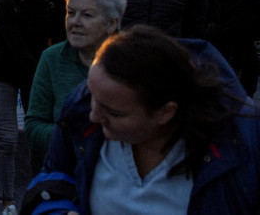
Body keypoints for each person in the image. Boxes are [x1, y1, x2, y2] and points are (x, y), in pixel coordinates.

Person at [26, 26, 260, 215]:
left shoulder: (237, 145)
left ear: (166, 112)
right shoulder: (80, 110)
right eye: (91, 96)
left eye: (115, 113)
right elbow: (53, 179)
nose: (93, 115)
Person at [0, 0, 65, 215]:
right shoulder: (7, 3)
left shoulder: (52, 1)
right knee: (7, 139)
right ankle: (6, 200)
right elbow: (14, 46)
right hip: (4, 72)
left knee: (39, 138)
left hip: (36, 71)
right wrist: (43, 72)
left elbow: (60, 38)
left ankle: (39, 192)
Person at [24, 0, 126, 154]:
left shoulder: (132, 62)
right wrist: (73, 136)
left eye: (87, 15)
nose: (75, 22)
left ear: (112, 24)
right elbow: (34, 125)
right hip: (63, 165)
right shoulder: (52, 58)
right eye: (71, 12)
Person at [207, 0, 259, 96]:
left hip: (238, 66)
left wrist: (211, 29)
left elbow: (235, 34)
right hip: (221, 62)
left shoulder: (247, 1)